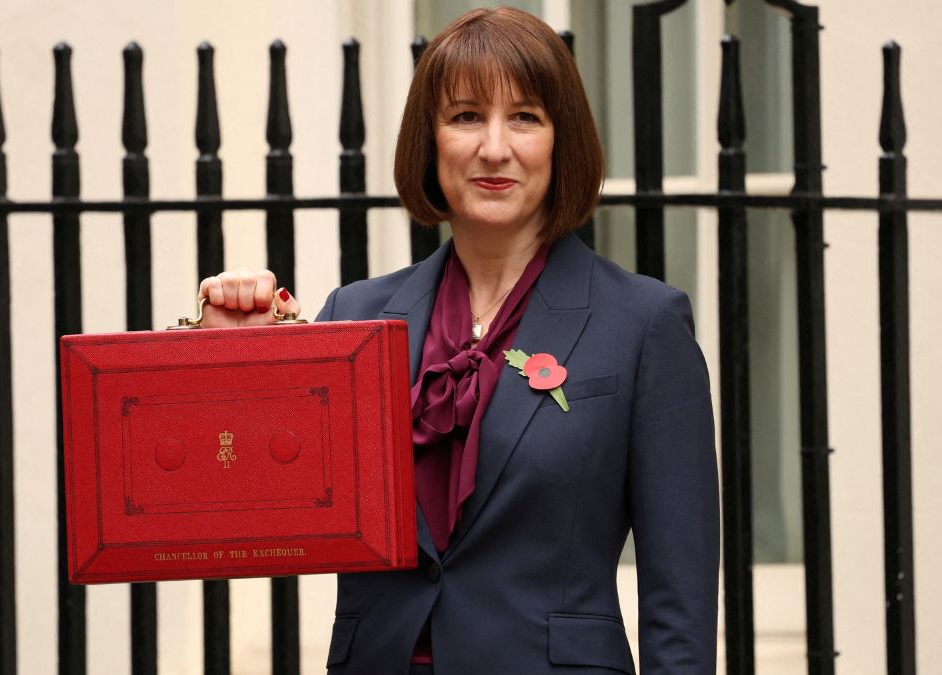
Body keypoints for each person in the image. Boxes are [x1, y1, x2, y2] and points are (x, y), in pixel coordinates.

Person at [198, 7, 717, 674]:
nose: (494, 148)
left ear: (563, 142)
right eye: (466, 115)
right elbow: (244, 504)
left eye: (525, 117)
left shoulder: (643, 325)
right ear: (430, 141)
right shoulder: (352, 318)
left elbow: (681, 601)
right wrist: (232, 364)